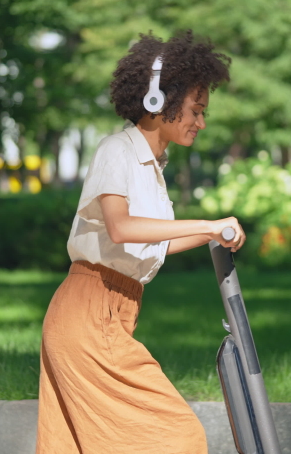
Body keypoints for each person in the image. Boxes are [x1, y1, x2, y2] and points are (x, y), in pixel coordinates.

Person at [35, 31, 246, 454]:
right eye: (196, 110)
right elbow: (121, 228)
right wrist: (206, 225)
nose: (201, 123)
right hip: (88, 312)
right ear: (157, 100)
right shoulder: (117, 150)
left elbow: (151, 246)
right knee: (177, 436)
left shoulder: (152, 168)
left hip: (112, 312)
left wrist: (212, 237)